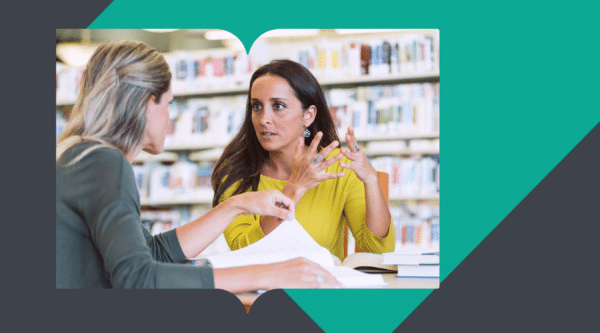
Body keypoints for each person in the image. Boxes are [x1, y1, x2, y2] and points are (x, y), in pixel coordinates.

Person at [56, 40, 340, 290]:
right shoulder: (105, 164)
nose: (169, 119)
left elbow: (153, 253)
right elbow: (138, 278)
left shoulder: (82, 157)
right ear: (147, 104)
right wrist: (268, 274)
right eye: (169, 104)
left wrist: (237, 205)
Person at [212, 59, 395, 261]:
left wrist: (371, 181)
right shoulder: (235, 174)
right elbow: (244, 253)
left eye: (278, 106)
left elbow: (378, 253)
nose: (264, 118)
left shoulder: (337, 168)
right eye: (256, 106)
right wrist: (294, 188)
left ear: (308, 115)